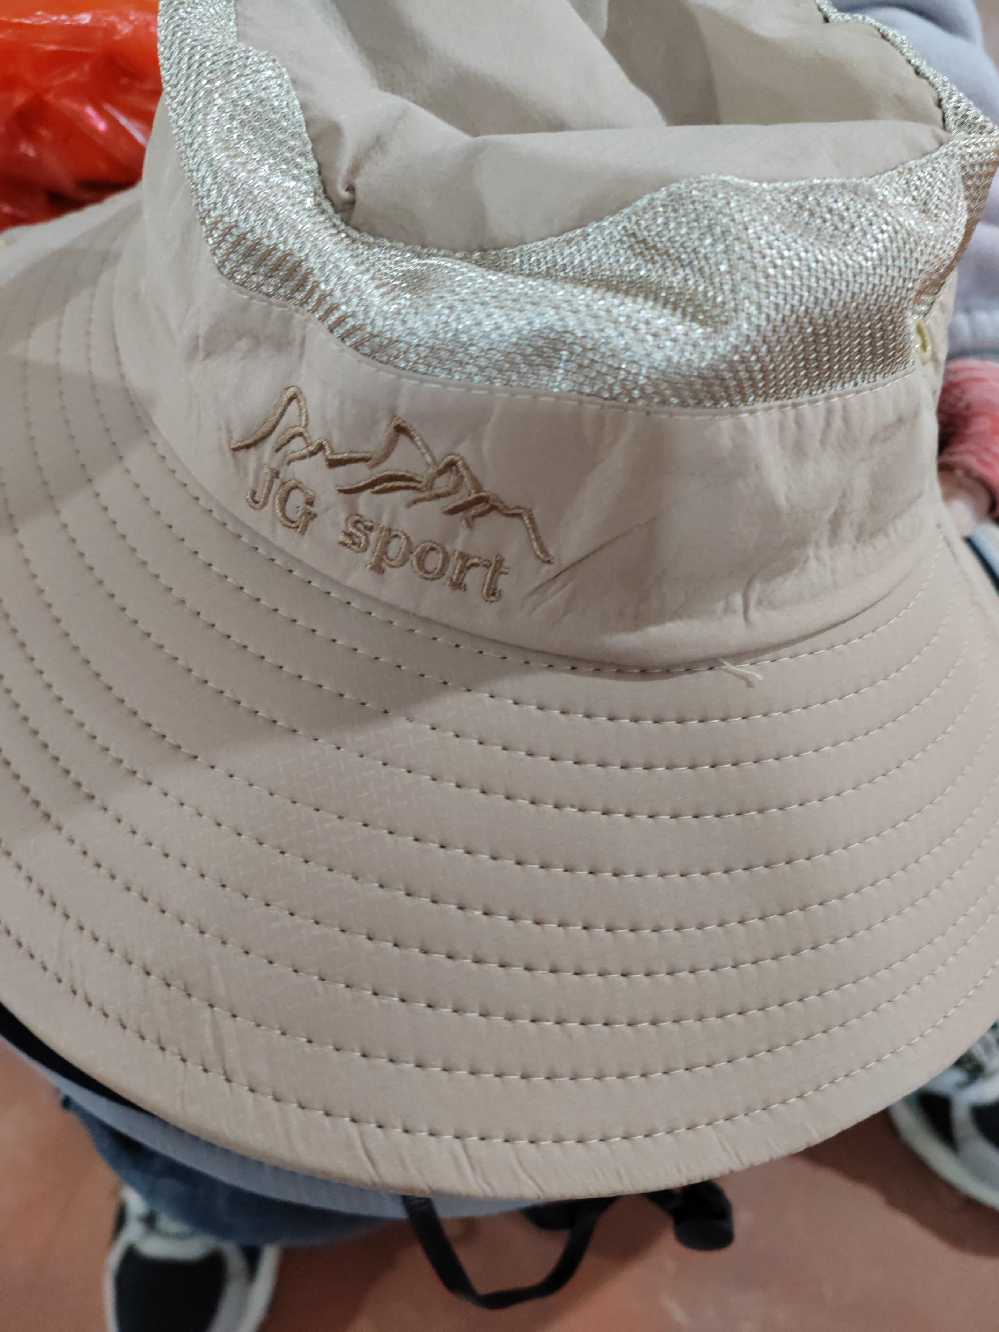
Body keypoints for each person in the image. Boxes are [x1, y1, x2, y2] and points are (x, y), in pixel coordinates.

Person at [2, 4, 999, 1330]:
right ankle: (192, 1185)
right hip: (195, 401)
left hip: (763, 544)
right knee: (147, 1047)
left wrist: (950, 370)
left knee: (661, 1032)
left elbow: (922, 121)